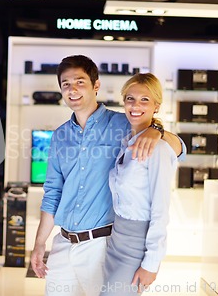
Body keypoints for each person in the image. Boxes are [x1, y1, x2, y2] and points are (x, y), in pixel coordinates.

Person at [30, 55, 184, 296]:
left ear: (96, 86)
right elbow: (52, 194)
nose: (72, 90)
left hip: (101, 246)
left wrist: (156, 130)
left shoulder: (123, 123)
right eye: (66, 84)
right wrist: (40, 244)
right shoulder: (59, 136)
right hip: (62, 245)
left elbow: (179, 149)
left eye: (80, 82)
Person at [100, 73, 177, 295]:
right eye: (130, 99)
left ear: (157, 106)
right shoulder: (127, 142)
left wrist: (151, 264)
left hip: (137, 244)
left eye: (145, 100)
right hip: (116, 239)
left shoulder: (159, 149)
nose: (135, 105)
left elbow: (161, 210)